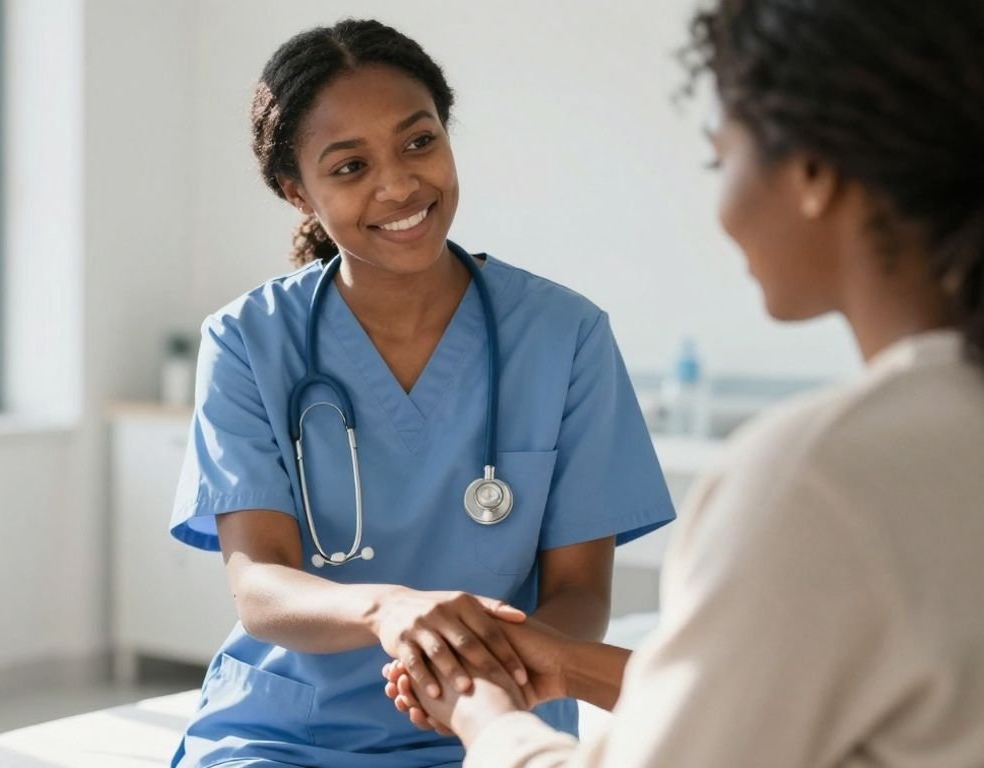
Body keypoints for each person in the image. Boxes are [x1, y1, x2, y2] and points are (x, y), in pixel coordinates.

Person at [384, 0, 984, 765]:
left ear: (810, 172)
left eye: (719, 157)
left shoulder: (818, 479)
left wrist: (487, 718)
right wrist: (563, 663)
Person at [167, 18, 675, 768]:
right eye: (348, 167)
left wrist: (485, 665)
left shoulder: (564, 335)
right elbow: (259, 584)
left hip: (498, 717)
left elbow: (578, 592)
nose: (400, 184)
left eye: (419, 142)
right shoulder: (247, 340)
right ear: (296, 191)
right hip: (286, 733)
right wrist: (389, 609)